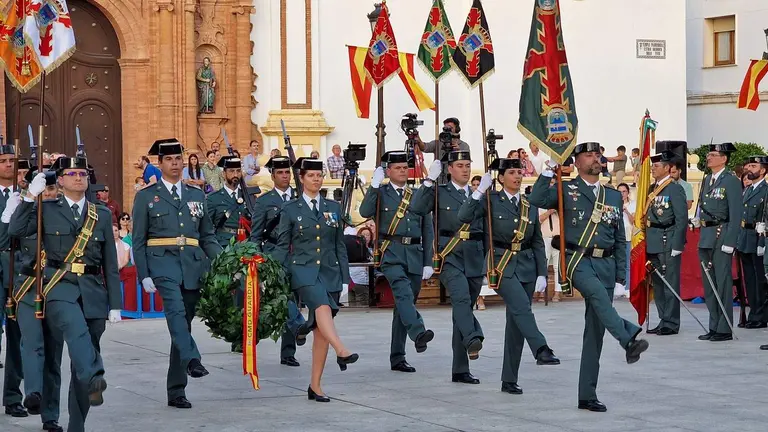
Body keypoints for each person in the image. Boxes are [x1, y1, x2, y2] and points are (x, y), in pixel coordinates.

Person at [528, 142, 649, 412]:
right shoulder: (565, 188)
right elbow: (536, 199)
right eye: (589, 155)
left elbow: (619, 238)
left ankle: (587, 395)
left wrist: (620, 276)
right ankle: (628, 338)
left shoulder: (612, 196)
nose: (596, 159)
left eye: (598, 155)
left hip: (606, 264)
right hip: (578, 260)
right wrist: (548, 171)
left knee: (595, 331)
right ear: (577, 161)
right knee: (595, 295)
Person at [8, 156, 122, 432]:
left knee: (83, 358)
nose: (78, 178)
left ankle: (77, 423)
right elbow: (15, 230)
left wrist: (115, 304)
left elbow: (110, 263)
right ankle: (94, 375)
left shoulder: (102, 214)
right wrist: (29, 196)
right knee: (75, 335)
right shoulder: (45, 209)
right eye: (71, 173)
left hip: (93, 291)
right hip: (59, 287)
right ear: (59, 180)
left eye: (83, 173)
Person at [132, 138, 223, 409]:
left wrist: (225, 261)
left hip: (192, 266)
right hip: (162, 265)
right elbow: (138, 239)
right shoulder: (146, 196)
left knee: (181, 325)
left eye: (178, 159)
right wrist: (144, 273)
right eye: (169, 159)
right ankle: (193, 359)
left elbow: (207, 236)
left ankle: (176, 390)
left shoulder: (196, 195)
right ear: (159, 164)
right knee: (175, 314)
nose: (175, 163)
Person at [458, 158, 560, 395]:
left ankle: (509, 379)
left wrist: (541, 272)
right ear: (501, 177)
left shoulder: (529, 204)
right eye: (512, 172)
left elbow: (535, 240)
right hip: (500, 265)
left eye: (519, 172)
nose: (517, 176)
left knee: (516, 323)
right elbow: (464, 216)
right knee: (522, 308)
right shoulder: (491, 200)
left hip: (525, 266)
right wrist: (479, 192)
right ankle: (541, 349)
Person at [271, 157, 358, 402]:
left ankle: (315, 386)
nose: (316, 179)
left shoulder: (333, 207)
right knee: (320, 306)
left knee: (321, 331)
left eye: (319, 175)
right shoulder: (291, 209)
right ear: (301, 178)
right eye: (311, 176)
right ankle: (341, 349)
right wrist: (269, 268)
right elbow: (282, 245)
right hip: (303, 271)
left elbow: (339, 244)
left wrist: (344, 277)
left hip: (329, 272)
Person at [410, 151, 484, 384]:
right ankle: (474, 337)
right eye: (460, 165)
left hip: (473, 256)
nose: (465, 169)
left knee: (462, 311)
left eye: (468, 165)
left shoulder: (479, 194)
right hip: (448, 255)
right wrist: (428, 181)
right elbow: (417, 208)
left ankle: (460, 369)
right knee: (461, 299)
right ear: (449, 169)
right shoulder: (440, 192)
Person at [360, 151, 435, 373]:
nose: (403, 171)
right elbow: (365, 211)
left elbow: (427, 228)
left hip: (414, 253)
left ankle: (397, 356)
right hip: (391, 252)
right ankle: (418, 332)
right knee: (402, 295)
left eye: (405, 168)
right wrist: (373, 186)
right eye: (398, 168)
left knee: (404, 305)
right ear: (388, 171)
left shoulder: (416, 194)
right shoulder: (381, 193)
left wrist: (428, 261)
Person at [3, 167, 64, 431]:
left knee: (52, 354)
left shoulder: (64, 213)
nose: (50, 194)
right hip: (25, 287)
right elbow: (7, 238)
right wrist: (23, 203)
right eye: (45, 189)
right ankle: (26, 394)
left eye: (53, 189)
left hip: (56, 288)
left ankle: (49, 414)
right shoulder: (24, 211)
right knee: (27, 343)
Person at [250, 156, 305, 366]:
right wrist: (257, 257)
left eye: (287, 172)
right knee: (283, 296)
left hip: (298, 254)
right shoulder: (264, 201)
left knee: (294, 297)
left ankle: (288, 352)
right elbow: (256, 234)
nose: (285, 176)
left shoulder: (300, 197)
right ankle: (298, 327)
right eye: (280, 173)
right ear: (273, 176)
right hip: (274, 253)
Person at [692, 143, 741, 342]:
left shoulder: (730, 181)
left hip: (722, 235)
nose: (709, 158)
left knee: (722, 283)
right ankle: (714, 325)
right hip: (706, 235)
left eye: (713, 155)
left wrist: (730, 241)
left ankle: (724, 328)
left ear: (724, 159)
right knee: (709, 284)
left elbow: (736, 213)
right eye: (709, 155)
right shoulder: (707, 180)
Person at [644, 152, 687, 336]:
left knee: (669, 282)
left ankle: (671, 322)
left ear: (668, 168)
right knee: (658, 284)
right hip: (653, 239)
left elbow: (681, 219)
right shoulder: (652, 188)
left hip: (667, 239)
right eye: (653, 166)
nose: (653, 169)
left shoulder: (674, 189)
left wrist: (677, 244)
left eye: (657, 166)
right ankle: (663, 319)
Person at [0, 144, 26, 417]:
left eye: (12, 160)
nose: (9, 165)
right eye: (3, 160)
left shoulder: (25, 196)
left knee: (17, 337)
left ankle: (12, 397)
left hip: (17, 270)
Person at [737, 156, 768, 329]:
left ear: (762, 170)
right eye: (748, 165)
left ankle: (761, 316)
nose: (749, 168)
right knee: (749, 279)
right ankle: (753, 313)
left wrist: (762, 242)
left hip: (758, 238)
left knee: (759, 280)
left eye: (753, 165)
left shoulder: (765, 190)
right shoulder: (748, 189)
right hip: (745, 237)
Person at [207, 156, 249, 248]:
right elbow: (207, 228)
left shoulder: (249, 197)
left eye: (238, 171)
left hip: (247, 244)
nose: (235, 174)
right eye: (231, 171)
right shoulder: (213, 198)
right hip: (223, 244)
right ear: (223, 174)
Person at [536, 177, 562, 302]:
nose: (551, 185)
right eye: (549, 183)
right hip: (544, 237)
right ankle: (541, 292)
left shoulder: (559, 202)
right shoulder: (539, 202)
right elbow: (538, 220)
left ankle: (557, 292)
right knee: (543, 265)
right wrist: (549, 212)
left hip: (557, 238)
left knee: (558, 267)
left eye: (553, 183)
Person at [616, 183, 635, 298]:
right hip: (616, 237)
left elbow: (633, 221)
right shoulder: (614, 204)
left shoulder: (633, 204)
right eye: (620, 191)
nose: (622, 194)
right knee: (617, 263)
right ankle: (618, 286)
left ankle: (628, 287)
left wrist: (626, 211)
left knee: (627, 263)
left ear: (628, 193)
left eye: (624, 191)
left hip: (628, 236)